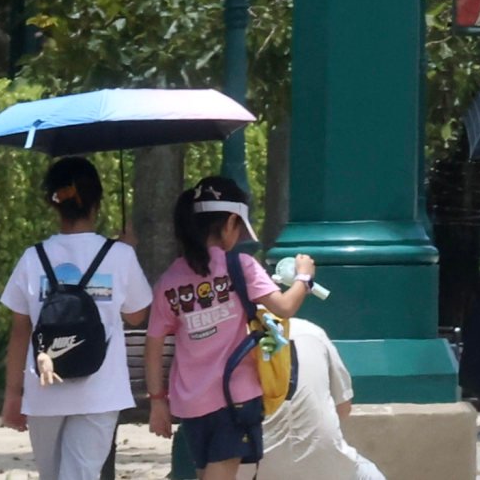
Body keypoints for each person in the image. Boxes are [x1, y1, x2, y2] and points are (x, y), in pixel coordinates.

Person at [1, 157, 154, 480]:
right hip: (101, 390)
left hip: (43, 390)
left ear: (53, 203)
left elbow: (19, 332)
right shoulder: (120, 255)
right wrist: (126, 250)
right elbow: (138, 315)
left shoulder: (32, 258)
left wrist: (13, 394)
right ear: (97, 202)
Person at [152, 176, 313, 480]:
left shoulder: (169, 280)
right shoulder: (242, 266)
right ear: (229, 224)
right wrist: (304, 278)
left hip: (190, 404)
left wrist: (157, 401)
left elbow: (154, 344)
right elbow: (284, 306)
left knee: (207, 474)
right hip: (234, 398)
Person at [257, 299, 389, 480]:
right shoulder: (311, 331)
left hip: (253, 468)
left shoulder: (227, 343)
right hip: (328, 465)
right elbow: (343, 408)